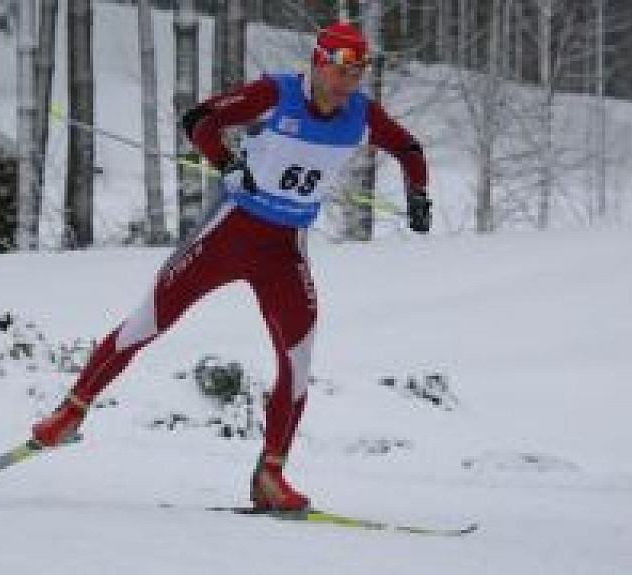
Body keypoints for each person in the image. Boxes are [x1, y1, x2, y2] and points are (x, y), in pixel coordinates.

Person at [32, 22, 431, 511]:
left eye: (359, 71)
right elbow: (198, 120)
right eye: (343, 69)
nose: (350, 83)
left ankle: (270, 475)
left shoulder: (361, 115)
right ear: (320, 62)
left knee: (299, 362)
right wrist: (226, 162)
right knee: (146, 322)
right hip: (228, 234)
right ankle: (70, 413)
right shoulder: (275, 94)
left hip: (284, 251)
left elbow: (409, 148)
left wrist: (418, 195)